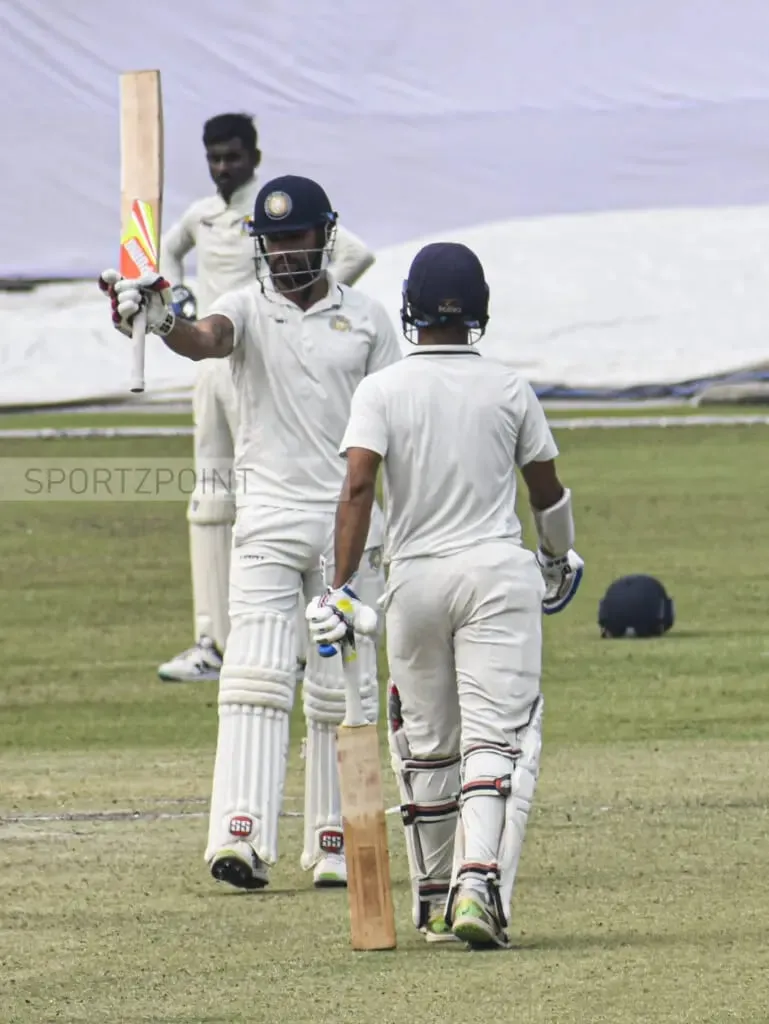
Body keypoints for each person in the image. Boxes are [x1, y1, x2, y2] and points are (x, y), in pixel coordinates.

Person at [98, 174, 401, 889]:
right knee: (253, 678)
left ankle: (336, 841)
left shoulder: (367, 320)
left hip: (348, 528)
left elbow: (398, 424)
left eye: (294, 238)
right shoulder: (243, 309)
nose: (284, 254)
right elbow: (202, 339)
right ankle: (240, 835)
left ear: (323, 235)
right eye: (271, 242)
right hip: (265, 521)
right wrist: (157, 314)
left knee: (337, 689)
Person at [306, 242, 584, 946]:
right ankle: (475, 887)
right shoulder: (508, 386)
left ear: (410, 309)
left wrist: (336, 588)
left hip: (415, 581)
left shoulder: (382, 390)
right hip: (494, 575)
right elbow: (544, 489)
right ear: (479, 312)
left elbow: (358, 487)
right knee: (496, 739)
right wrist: (557, 557)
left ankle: (432, 904)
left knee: (427, 749)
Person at [157, 113, 376, 683]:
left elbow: (354, 254)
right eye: (215, 158)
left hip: (268, 356)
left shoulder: (283, 207)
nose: (224, 167)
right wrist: (171, 304)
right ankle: (211, 638)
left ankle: (310, 642)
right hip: (216, 351)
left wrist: (311, 303)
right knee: (211, 494)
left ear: (253, 156)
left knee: (291, 486)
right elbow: (169, 256)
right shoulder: (200, 216)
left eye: (233, 156)